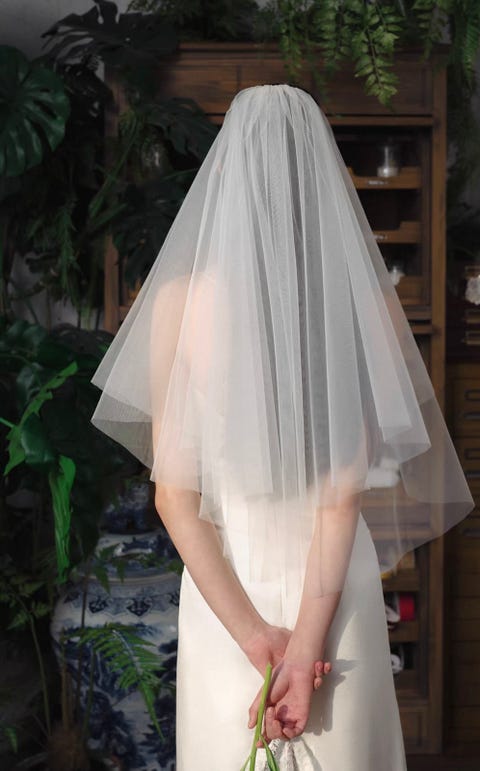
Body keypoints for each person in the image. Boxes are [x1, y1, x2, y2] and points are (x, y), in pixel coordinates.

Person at [91, 84, 474, 769]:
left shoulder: (177, 301)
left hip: (225, 588)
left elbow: (173, 499)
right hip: (333, 589)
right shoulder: (366, 302)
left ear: (226, 173)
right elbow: (339, 500)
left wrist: (255, 638)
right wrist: (305, 649)